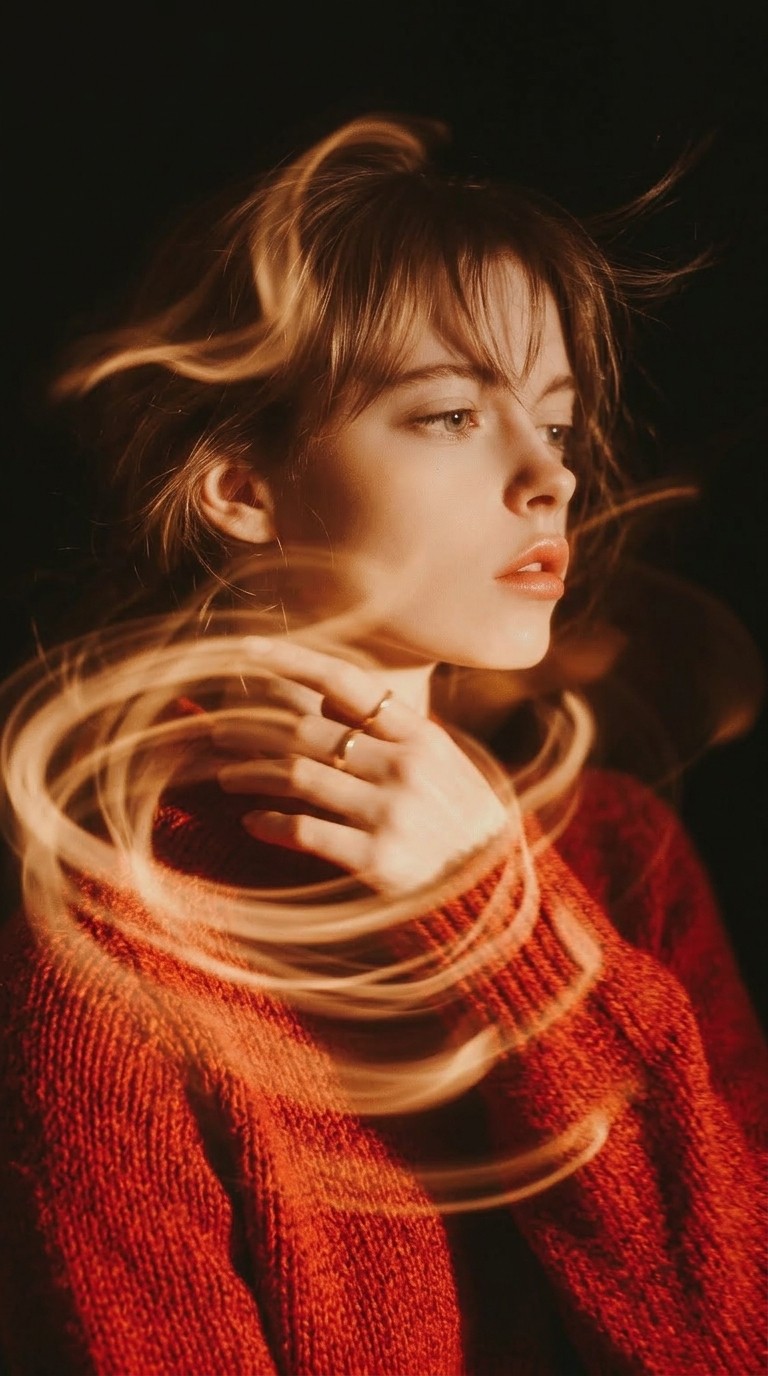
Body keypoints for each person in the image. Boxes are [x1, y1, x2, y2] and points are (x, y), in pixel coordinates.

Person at [0, 113, 765, 1376]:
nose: (550, 480)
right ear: (240, 482)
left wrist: (507, 927)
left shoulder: (623, 856)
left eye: (560, 425)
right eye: (453, 414)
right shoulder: (119, 951)